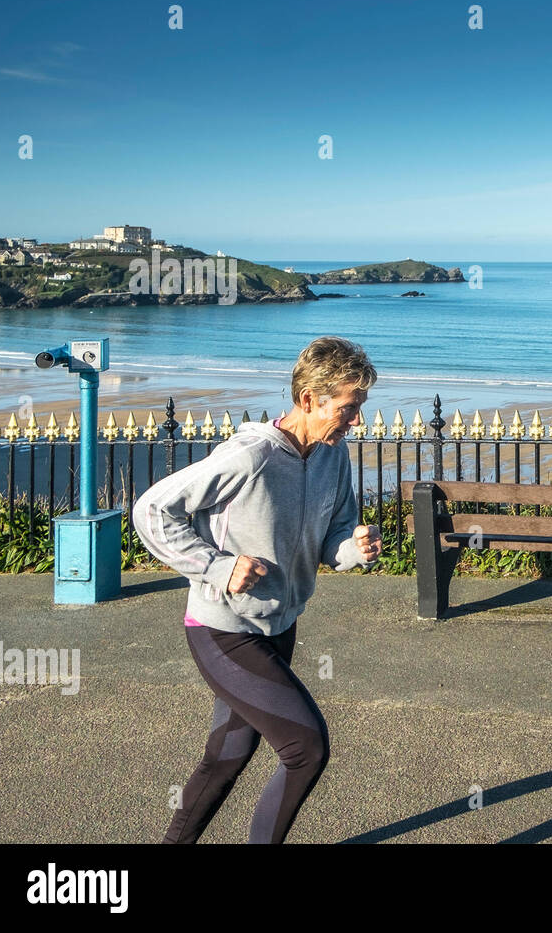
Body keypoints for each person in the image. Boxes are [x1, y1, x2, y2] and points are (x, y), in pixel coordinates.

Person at [133, 336, 382, 843]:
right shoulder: (250, 455)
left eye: (360, 408)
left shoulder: (335, 457)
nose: (358, 420)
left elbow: (332, 543)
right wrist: (216, 567)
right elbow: (152, 511)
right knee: (305, 748)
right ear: (309, 399)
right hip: (223, 630)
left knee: (227, 756)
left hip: (279, 625)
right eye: (349, 408)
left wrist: (355, 547)